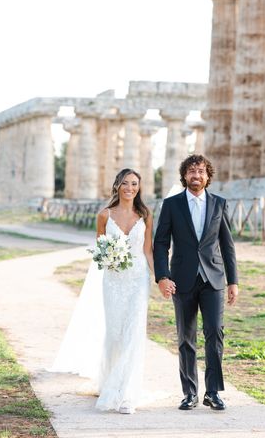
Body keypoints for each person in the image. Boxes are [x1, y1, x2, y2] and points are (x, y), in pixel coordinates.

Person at [50, 168, 154, 414]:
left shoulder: (146, 215)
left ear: (139, 187)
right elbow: (99, 249)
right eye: (126, 183)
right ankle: (110, 383)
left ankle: (128, 393)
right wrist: (109, 259)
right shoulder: (104, 215)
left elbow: (148, 250)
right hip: (114, 280)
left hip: (139, 278)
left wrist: (160, 277)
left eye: (135, 184)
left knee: (133, 333)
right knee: (115, 333)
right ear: (117, 185)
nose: (130, 188)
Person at [153, 154, 239, 411]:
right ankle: (189, 393)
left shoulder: (219, 204)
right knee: (185, 337)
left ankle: (212, 392)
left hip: (213, 279)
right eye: (191, 171)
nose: (196, 175)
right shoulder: (171, 205)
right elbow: (160, 244)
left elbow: (227, 245)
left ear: (208, 176)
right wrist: (162, 276)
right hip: (182, 280)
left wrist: (233, 281)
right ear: (184, 176)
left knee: (215, 334)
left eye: (201, 171)